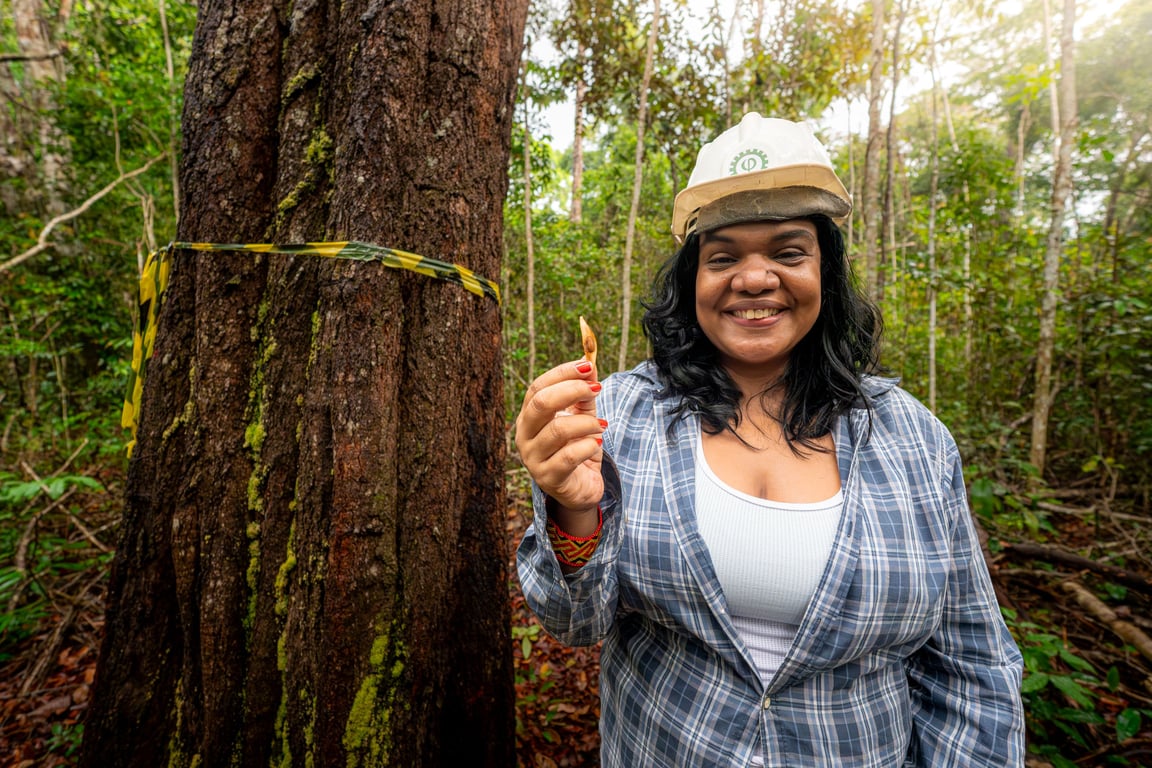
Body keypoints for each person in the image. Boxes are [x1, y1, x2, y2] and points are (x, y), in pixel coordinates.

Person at [515, 113, 1025, 767]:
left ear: (826, 273)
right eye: (723, 257)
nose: (754, 278)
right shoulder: (617, 415)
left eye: (788, 252)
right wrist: (573, 509)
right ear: (692, 281)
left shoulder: (914, 440)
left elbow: (972, 667)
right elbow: (573, 623)